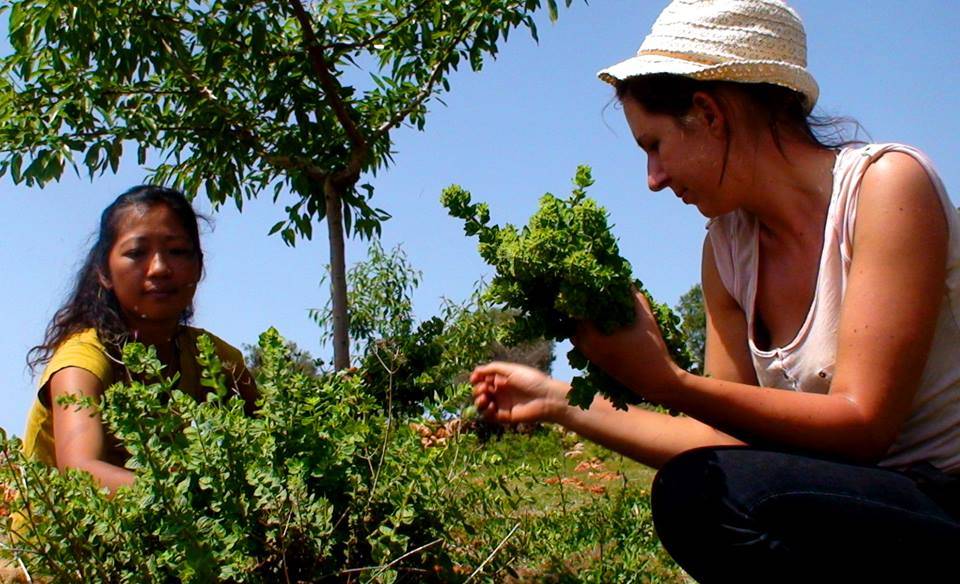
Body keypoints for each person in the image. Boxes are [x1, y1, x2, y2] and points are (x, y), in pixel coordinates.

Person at [469, 0, 960, 581]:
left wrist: (665, 380)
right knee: (704, 484)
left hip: (943, 501)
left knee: (703, 496)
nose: (653, 180)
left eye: (654, 146)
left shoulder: (886, 188)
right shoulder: (727, 250)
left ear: (707, 113)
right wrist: (561, 402)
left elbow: (864, 425)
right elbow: (719, 442)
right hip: (857, 509)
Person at [22, 185, 257, 493]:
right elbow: (81, 471)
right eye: (136, 253)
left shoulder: (216, 359)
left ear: (199, 267)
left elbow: (275, 441)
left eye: (177, 251)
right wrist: (189, 499)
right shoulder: (81, 362)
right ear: (104, 272)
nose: (159, 268)